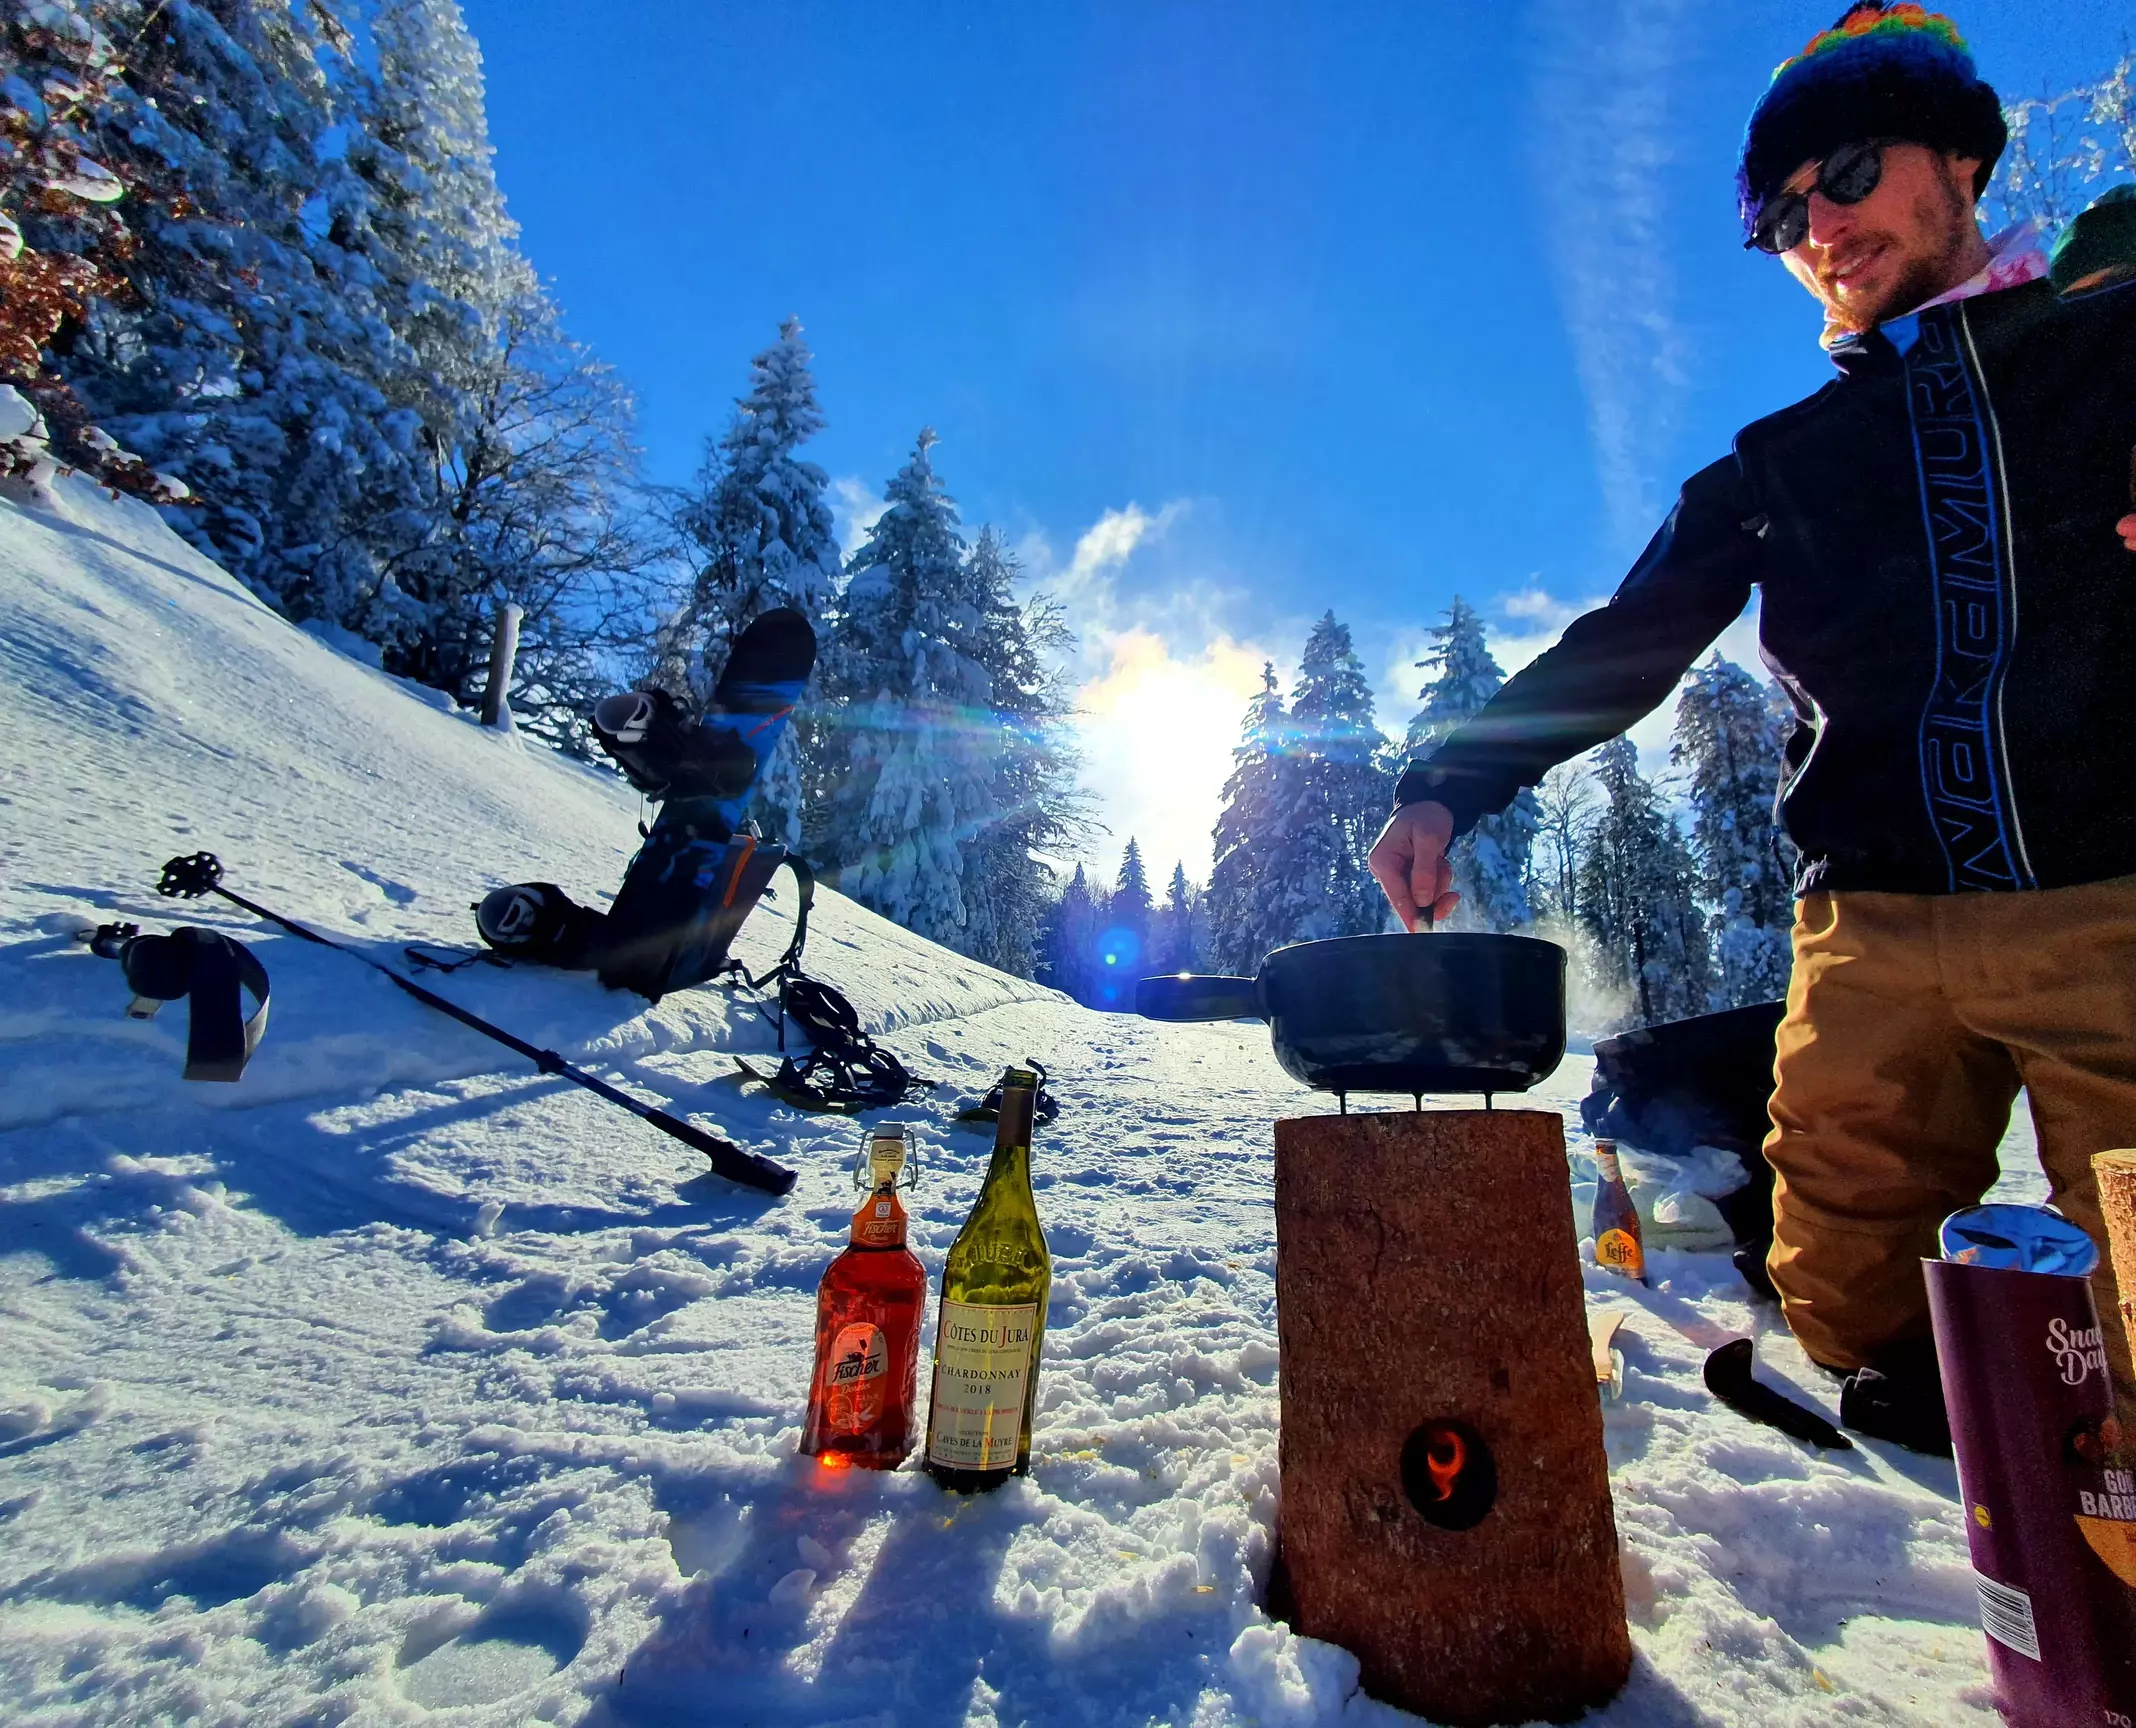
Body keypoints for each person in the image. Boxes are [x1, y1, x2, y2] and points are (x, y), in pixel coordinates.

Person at [1368, 2, 2136, 1453]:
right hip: (1875, 931)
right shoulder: (1783, 462)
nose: (1820, 229)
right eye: (1783, 215)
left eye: (1847, 172)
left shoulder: (2110, 342)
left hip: (2112, 902)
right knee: (1844, 1312)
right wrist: (1441, 789)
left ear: (1960, 160)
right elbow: (1624, 645)